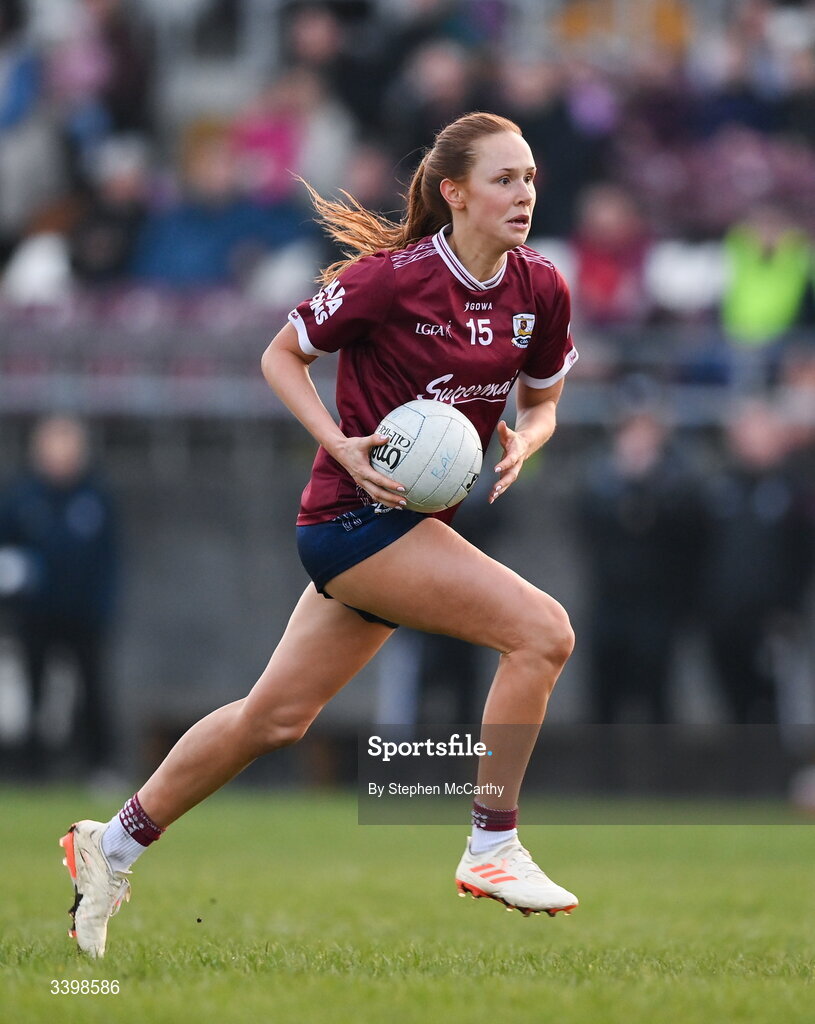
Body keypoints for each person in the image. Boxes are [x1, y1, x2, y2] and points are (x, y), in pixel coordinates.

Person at [59, 112, 580, 957]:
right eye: (503, 179)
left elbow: (544, 398)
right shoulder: (390, 280)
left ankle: (109, 844)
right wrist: (335, 440)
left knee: (274, 719)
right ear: (453, 193)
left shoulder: (541, 289)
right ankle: (491, 846)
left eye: (528, 177)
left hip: (407, 530)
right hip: (352, 522)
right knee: (542, 633)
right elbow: (279, 354)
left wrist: (528, 436)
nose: (523, 194)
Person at [0, 416, 118, 777]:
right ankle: (31, 767)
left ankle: (100, 765)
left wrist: (105, 605)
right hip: (36, 612)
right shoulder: (22, 498)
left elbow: (109, 558)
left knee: (92, 689)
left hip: (84, 613)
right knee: (33, 689)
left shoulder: (95, 497)